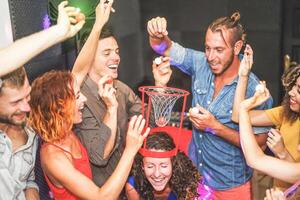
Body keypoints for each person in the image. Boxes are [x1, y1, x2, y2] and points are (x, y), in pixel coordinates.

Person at [147, 12, 273, 199]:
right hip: (194, 177)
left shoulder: (254, 90)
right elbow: (163, 47)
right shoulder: (200, 63)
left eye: (219, 50)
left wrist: (215, 127)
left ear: (237, 47)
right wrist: (157, 35)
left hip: (230, 186)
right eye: (207, 48)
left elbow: (260, 146)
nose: (211, 57)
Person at [73, 11, 172, 187]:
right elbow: (99, 156)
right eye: (107, 53)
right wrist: (111, 109)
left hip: (127, 187)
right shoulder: (79, 98)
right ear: (88, 58)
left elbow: (151, 124)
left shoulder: (120, 88)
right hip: (101, 192)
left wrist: (159, 85)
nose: (116, 57)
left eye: (117, 51)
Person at [0, 1, 84, 199]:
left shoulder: (27, 131)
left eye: (27, 96)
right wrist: (57, 33)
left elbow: (28, 181)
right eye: (15, 102)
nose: (26, 106)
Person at [231, 46, 300, 191]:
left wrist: (282, 152)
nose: (292, 92)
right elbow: (237, 116)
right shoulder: (287, 114)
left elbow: (296, 176)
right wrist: (243, 76)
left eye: (299, 90)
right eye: (294, 86)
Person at [125, 132, 201, 200]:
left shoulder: (187, 184)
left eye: (164, 166)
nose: (157, 174)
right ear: (142, 166)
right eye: (150, 166)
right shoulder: (133, 188)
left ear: (173, 163)